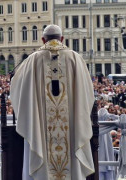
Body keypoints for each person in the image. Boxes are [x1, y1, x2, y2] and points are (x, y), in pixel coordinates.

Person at [10, 25, 95, 180]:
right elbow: (87, 94)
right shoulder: (75, 58)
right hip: (71, 129)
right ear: (62, 38)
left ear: (43, 39)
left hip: (40, 129)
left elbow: (17, 90)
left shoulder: (32, 60)